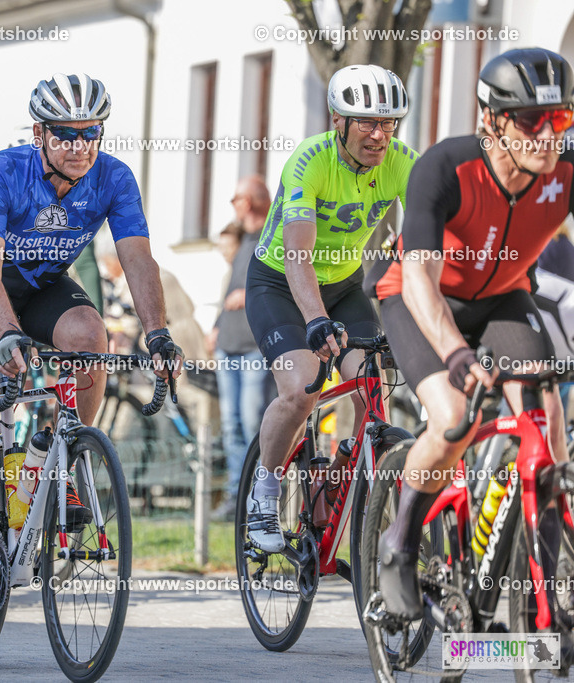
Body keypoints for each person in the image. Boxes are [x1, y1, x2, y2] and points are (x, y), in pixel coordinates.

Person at [0, 73, 182, 620]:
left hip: (42, 282)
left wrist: (158, 332)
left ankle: (63, 451)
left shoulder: (114, 178)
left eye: (90, 134)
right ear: (39, 133)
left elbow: (138, 259)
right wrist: (5, 335)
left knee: (91, 338)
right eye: (65, 135)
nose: (79, 147)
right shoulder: (3, 171)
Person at [373, 48, 574, 619]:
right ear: (491, 121)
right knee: (456, 416)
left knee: (547, 417)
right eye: (531, 121)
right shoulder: (447, 167)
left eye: (559, 118)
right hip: (417, 298)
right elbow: (419, 278)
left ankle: (550, 578)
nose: (548, 135)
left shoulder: (565, 172)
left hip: (502, 297)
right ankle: (400, 543)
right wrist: (456, 353)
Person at [245, 65, 418, 552]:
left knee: (372, 385)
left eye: (388, 123)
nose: (379, 134)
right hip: (279, 283)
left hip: (343, 288)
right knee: (303, 388)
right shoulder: (311, 161)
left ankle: (345, 480)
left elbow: (433, 234)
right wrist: (315, 321)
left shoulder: (402, 160)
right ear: (338, 120)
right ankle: (266, 488)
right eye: (366, 122)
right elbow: (298, 254)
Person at [208, 176, 273, 518]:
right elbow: (230, 288)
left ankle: (261, 496)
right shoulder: (243, 239)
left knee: (253, 422)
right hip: (228, 346)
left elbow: (284, 285)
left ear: (247, 202)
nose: (233, 205)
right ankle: (237, 496)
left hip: (254, 346)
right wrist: (217, 327)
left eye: (236, 199)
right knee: (231, 425)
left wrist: (248, 296)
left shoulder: (273, 236)